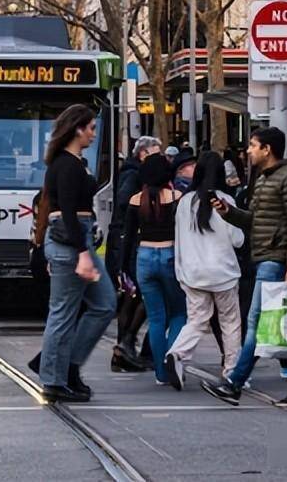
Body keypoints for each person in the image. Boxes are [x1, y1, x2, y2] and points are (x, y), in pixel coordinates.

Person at [200, 127, 287, 407]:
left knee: (256, 323)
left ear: (267, 149)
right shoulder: (265, 179)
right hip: (265, 256)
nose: (248, 151)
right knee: (281, 324)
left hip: (275, 259)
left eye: (253, 146)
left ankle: (234, 383)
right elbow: (257, 220)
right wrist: (229, 213)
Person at [38, 105, 115, 402]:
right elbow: (67, 212)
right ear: (77, 129)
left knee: (104, 303)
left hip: (75, 238)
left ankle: (67, 366)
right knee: (63, 313)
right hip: (72, 241)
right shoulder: (66, 165)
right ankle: (54, 378)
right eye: (91, 128)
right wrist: (82, 252)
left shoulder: (75, 162)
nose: (94, 134)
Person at [163, 151, 244, 389]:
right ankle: (231, 371)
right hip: (224, 273)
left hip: (192, 273)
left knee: (197, 320)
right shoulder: (226, 202)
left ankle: (177, 353)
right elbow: (238, 240)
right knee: (230, 322)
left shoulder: (184, 202)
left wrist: (181, 270)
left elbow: (178, 239)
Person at [121, 154, 186, 386]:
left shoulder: (136, 200)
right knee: (179, 313)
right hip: (170, 256)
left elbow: (127, 239)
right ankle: (173, 357)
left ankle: (160, 372)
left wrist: (123, 270)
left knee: (156, 318)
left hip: (144, 258)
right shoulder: (177, 198)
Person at [107, 136, 161, 372]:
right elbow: (124, 204)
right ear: (143, 154)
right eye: (155, 153)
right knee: (135, 293)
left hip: (127, 240)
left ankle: (125, 346)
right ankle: (124, 345)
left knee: (135, 294)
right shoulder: (133, 175)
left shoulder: (136, 173)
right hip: (126, 240)